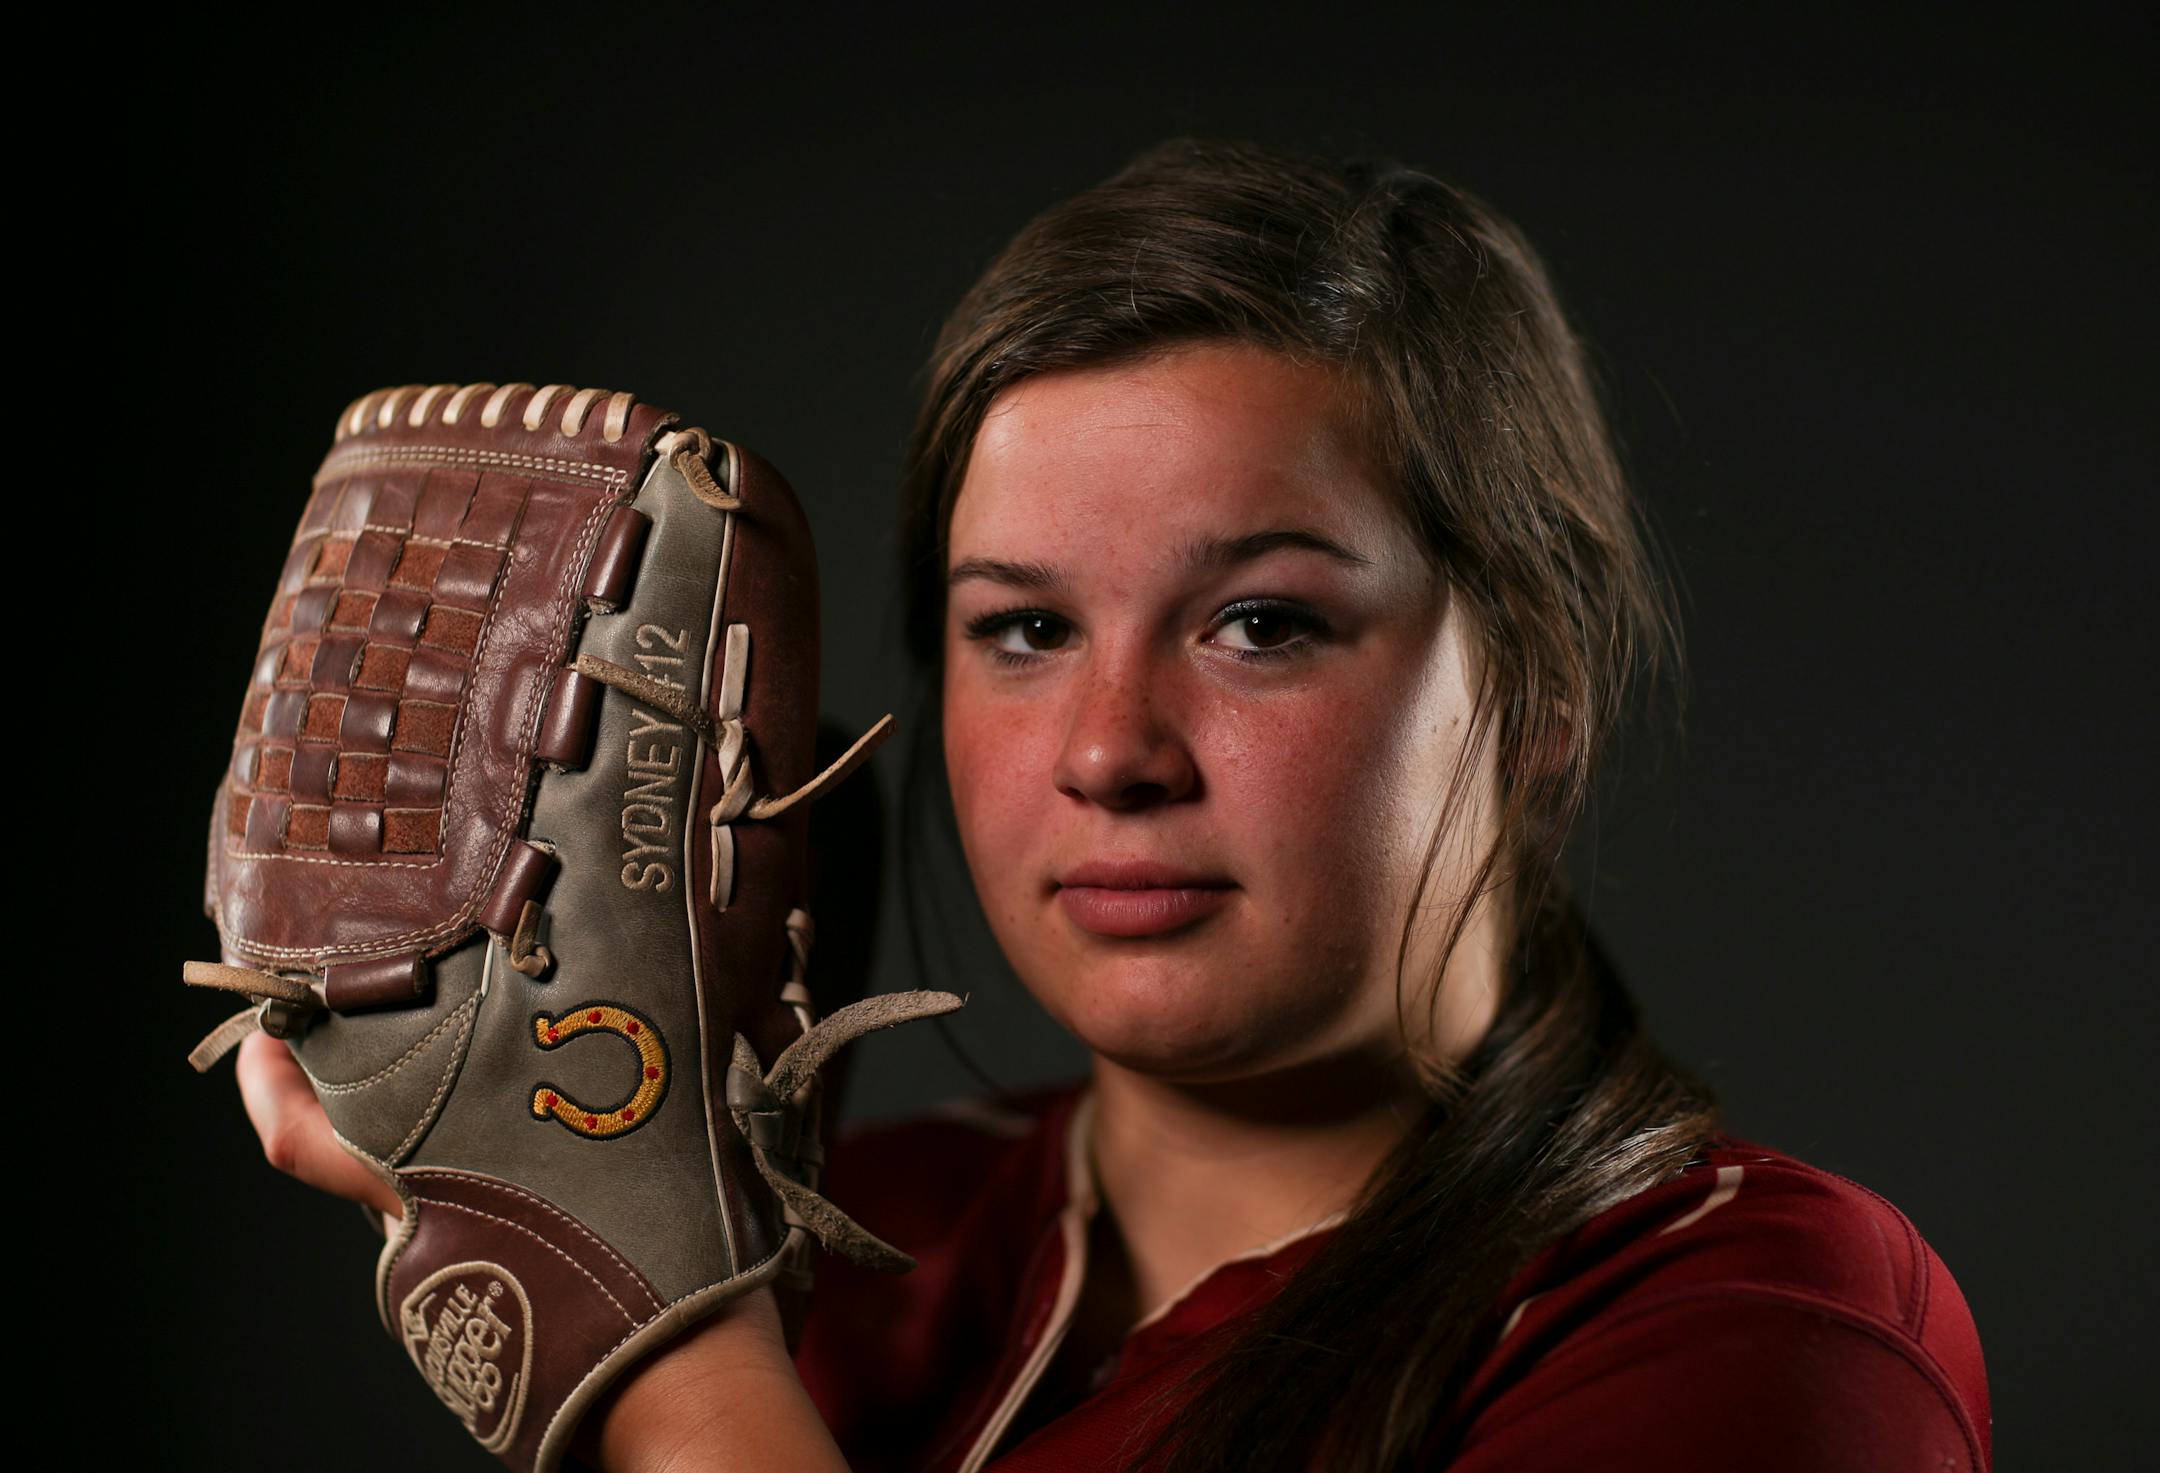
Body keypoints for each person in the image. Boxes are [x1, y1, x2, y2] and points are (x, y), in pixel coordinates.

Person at [233, 137, 1993, 1471]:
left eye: (1261, 622)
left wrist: (654, 1351)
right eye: (1025, 627)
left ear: (1536, 693)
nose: (1107, 746)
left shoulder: (1769, 1324)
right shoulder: (854, 1240)